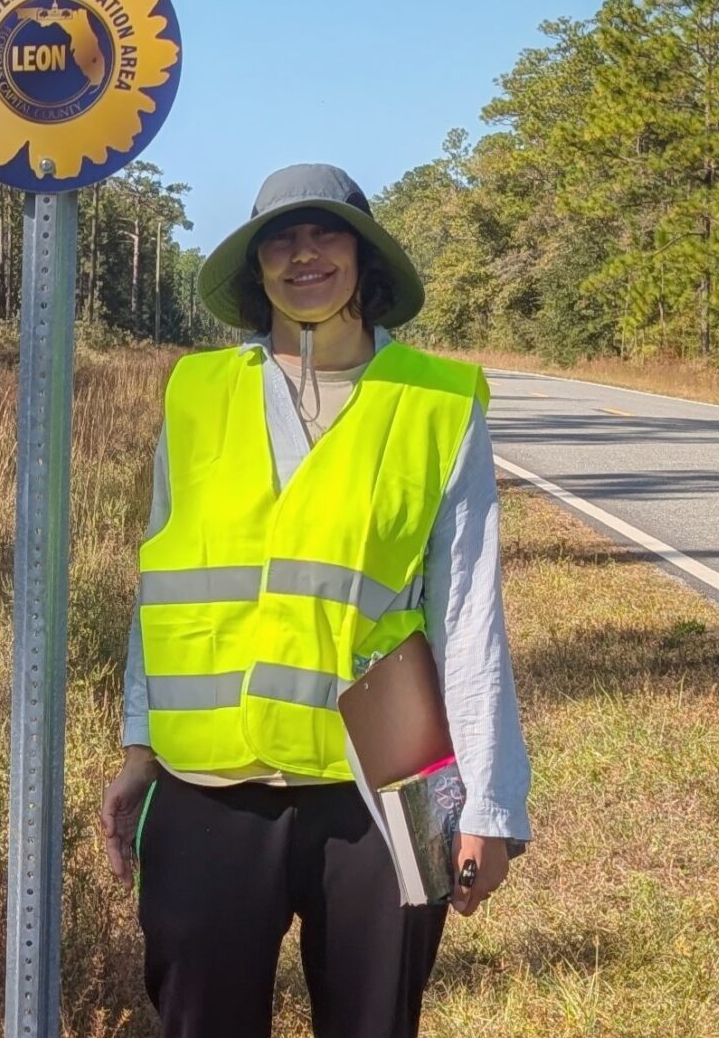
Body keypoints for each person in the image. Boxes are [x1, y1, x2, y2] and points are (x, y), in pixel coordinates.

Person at [100, 164, 531, 1038]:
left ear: (364, 257)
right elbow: (164, 588)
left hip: (383, 782)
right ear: (255, 265)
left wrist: (488, 805)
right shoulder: (198, 392)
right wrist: (140, 746)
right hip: (207, 783)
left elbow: (468, 611)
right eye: (280, 238)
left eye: (326, 233)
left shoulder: (438, 403)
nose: (303, 254)